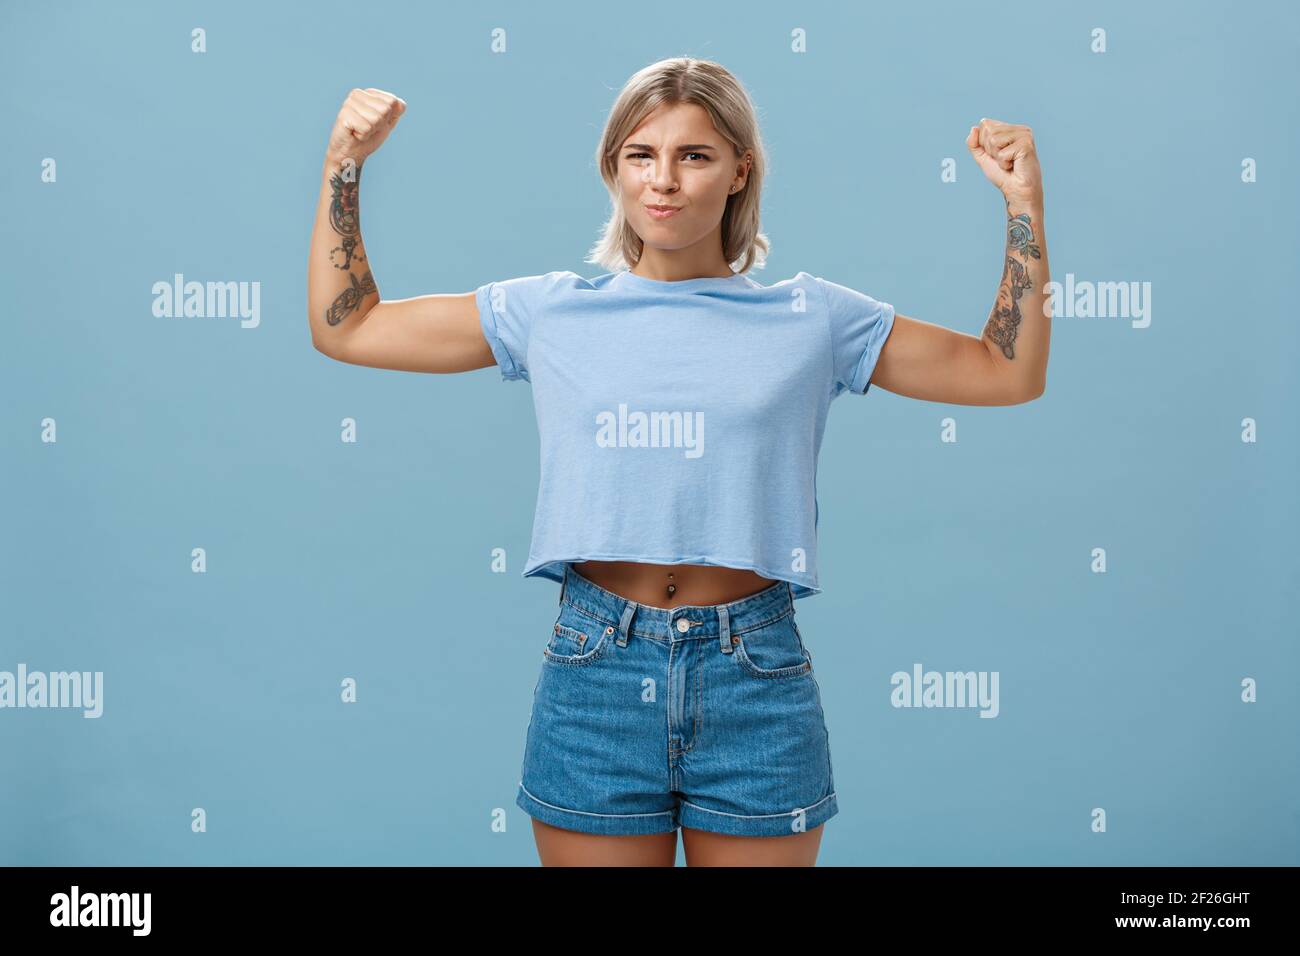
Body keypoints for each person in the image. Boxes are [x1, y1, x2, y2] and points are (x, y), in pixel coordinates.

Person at [306, 58, 1051, 867]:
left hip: (753, 673)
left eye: (694, 155)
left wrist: (1024, 208)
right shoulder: (550, 312)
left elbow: (1004, 371)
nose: (663, 181)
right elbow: (348, 327)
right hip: (595, 670)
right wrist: (343, 166)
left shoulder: (812, 319)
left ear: (740, 170)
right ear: (613, 170)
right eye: (640, 155)